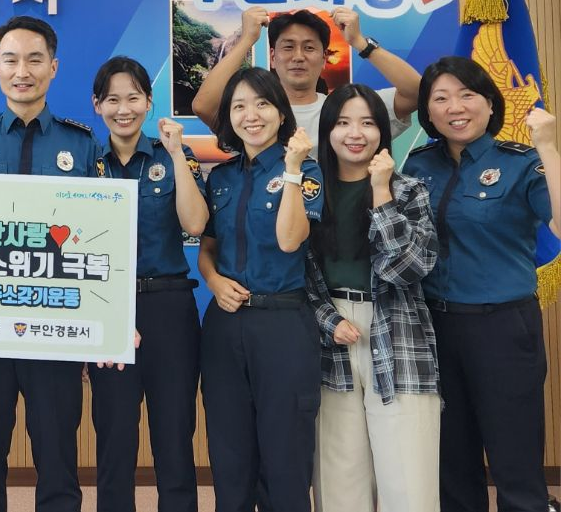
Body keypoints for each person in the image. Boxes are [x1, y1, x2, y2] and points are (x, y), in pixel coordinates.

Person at [0, 15, 104, 512]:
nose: (21, 71)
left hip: (54, 328)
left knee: (59, 457)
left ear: (53, 67)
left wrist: (95, 327)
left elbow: (98, 234)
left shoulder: (81, 143)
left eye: (34, 59)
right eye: (10, 60)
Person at [401, 56, 560, 512]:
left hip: (502, 328)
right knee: (451, 460)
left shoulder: (521, 163)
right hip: (433, 328)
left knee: (515, 457)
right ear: (428, 112)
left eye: (467, 94)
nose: (455, 107)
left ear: (491, 103)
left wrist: (548, 147)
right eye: (441, 98)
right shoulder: (415, 166)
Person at [303, 84, 439, 512]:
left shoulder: (409, 189)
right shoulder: (310, 191)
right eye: (342, 123)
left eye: (366, 122)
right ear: (327, 131)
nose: (354, 133)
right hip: (329, 335)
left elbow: (409, 268)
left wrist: (381, 194)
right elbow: (296, 272)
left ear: (383, 130)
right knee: (338, 479)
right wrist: (328, 320)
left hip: (397, 328)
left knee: (409, 479)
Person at [84, 57, 207, 512]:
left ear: (149, 102)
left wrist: (176, 154)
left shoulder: (173, 155)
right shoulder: (84, 163)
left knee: (174, 434)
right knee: (114, 436)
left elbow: (195, 223)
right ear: (97, 105)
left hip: (168, 305)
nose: (124, 109)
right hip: (106, 305)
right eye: (112, 99)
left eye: (133, 98)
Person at [196, 66, 322, 512]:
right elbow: (207, 249)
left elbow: (291, 239)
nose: (251, 115)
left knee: (285, 455)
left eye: (262, 104)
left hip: (283, 323)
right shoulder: (221, 177)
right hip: (225, 324)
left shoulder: (307, 171)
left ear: (281, 113)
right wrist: (214, 281)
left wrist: (291, 170)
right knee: (229, 452)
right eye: (239, 106)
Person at [191, 7, 419, 155]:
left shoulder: (349, 110)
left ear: (324, 58)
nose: (298, 56)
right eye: (288, 47)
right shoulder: (253, 116)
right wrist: (247, 40)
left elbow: (416, 92)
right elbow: (203, 106)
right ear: (272, 57)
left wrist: (360, 42)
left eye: (309, 48)